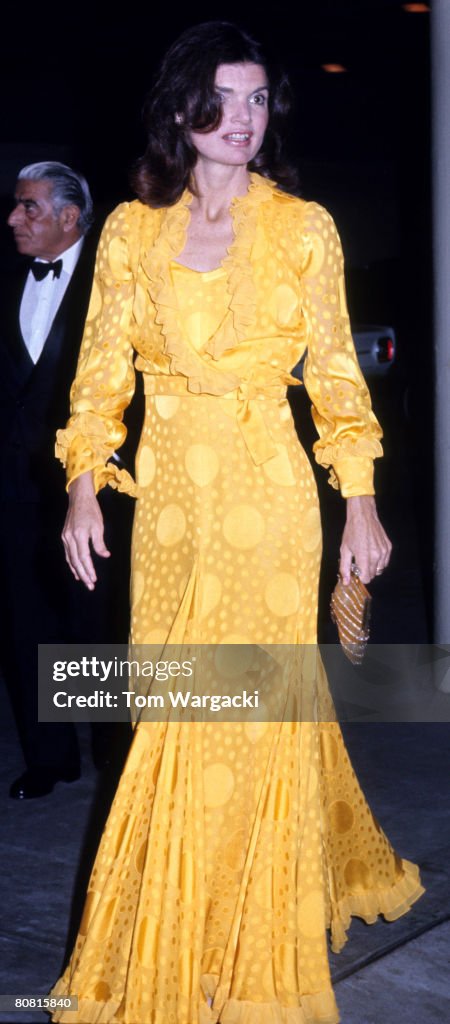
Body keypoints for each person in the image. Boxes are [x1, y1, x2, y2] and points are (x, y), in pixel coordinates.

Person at [50, 23, 424, 1023]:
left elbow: (339, 377)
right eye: (229, 96)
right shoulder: (130, 229)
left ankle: (246, 944)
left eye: (262, 100)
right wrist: (86, 482)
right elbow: (99, 376)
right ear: (183, 109)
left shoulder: (303, 227)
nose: (249, 118)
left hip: (270, 497)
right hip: (170, 505)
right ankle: (180, 924)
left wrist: (362, 502)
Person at [0, 161, 132, 800]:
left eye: (28, 208)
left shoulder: (114, 277)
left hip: (92, 486)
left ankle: (114, 753)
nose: (13, 218)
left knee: (98, 618)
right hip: (12, 483)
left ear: (70, 218)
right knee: (25, 619)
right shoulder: (7, 274)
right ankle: (50, 758)